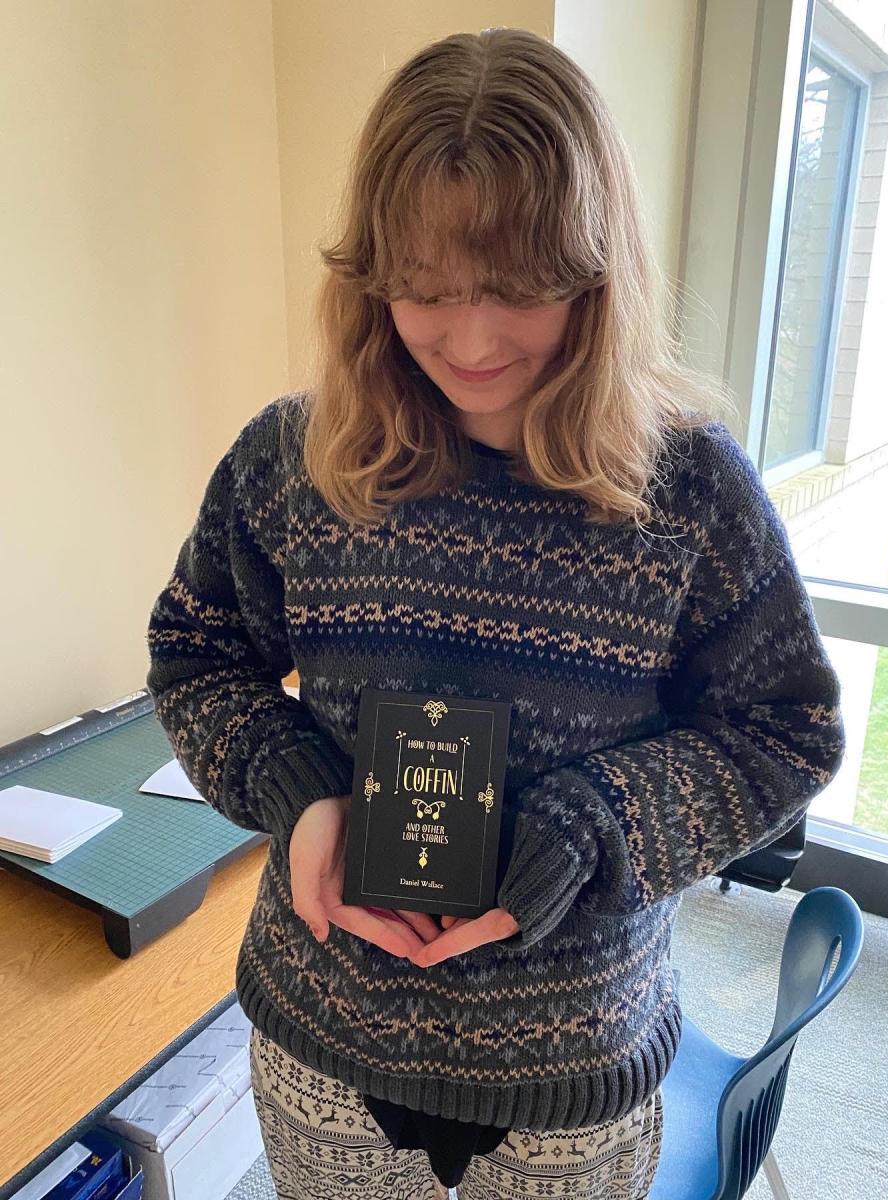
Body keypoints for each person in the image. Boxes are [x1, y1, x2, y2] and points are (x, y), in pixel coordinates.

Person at [144, 26, 845, 1200]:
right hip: (324, 1043)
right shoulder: (288, 461)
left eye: (521, 292)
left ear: (597, 267)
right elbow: (197, 652)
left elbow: (787, 730)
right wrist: (299, 796)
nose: (472, 342)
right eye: (425, 291)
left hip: (571, 1075)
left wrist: (594, 825)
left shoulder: (689, 491)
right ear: (370, 280)